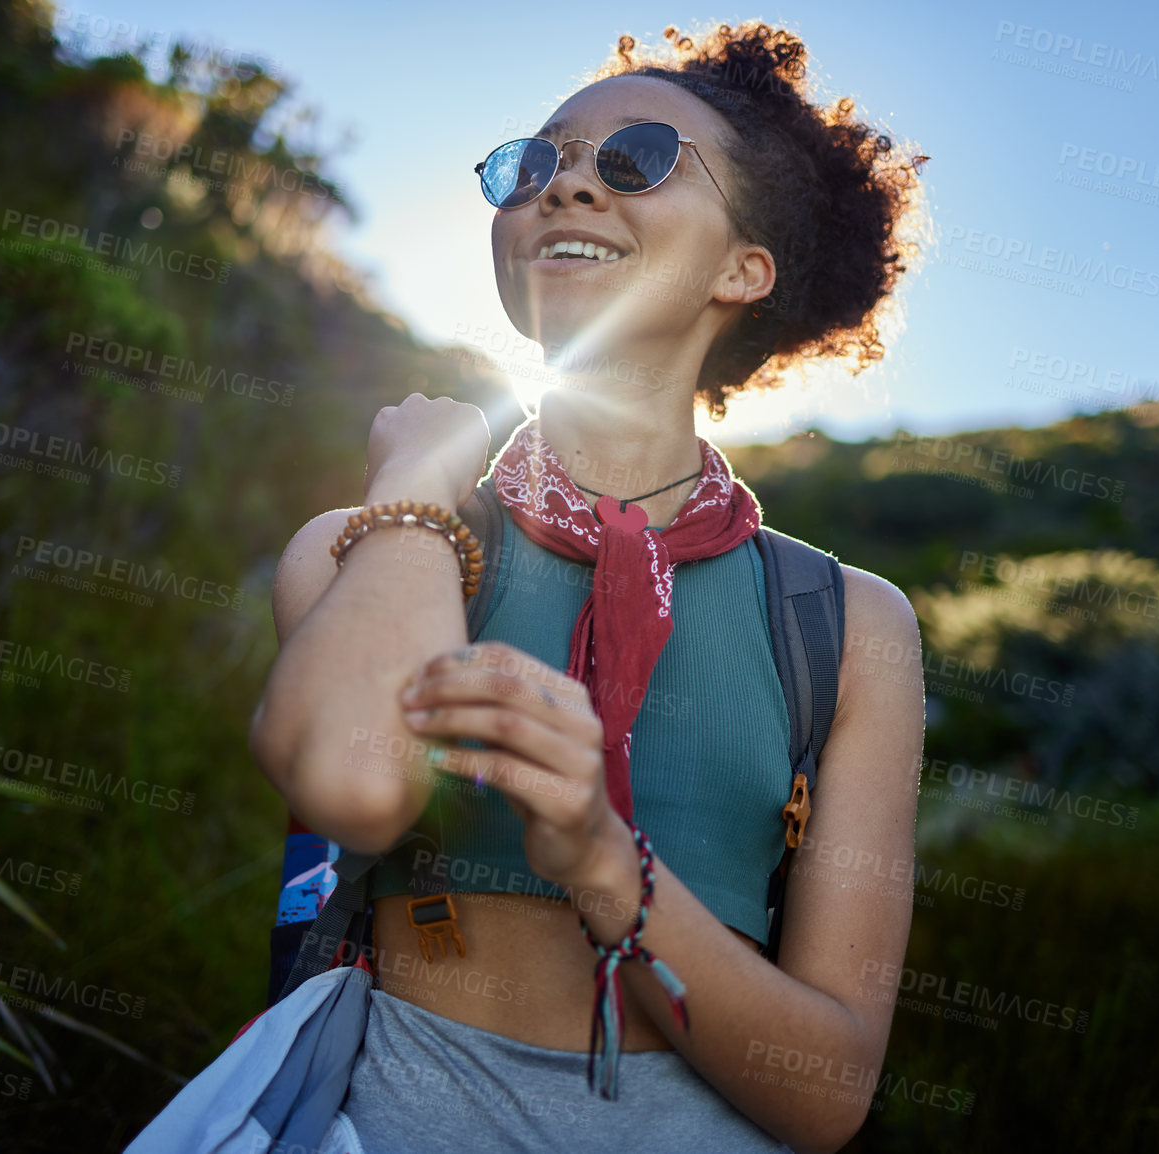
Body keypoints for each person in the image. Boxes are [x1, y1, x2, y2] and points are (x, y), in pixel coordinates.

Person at [251, 21, 927, 1154]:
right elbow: (353, 789)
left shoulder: (849, 625)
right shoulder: (370, 536)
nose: (565, 182)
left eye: (638, 159)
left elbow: (827, 1090)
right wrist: (418, 493)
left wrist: (605, 859)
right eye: (536, 164)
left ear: (742, 268)